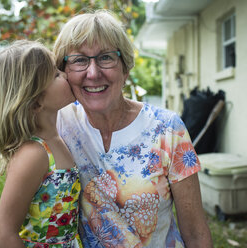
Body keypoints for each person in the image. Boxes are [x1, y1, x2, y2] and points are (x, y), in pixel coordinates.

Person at [53, 10, 213, 248]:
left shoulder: (167, 129)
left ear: (125, 68)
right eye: (79, 60)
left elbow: (195, 232)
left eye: (106, 57)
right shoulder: (58, 124)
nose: (93, 73)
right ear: (64, 71)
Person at [0, 40, 82, 248]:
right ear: (35, 102)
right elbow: (4, 233)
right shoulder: (34, 154)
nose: (66, 75)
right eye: (56, 75)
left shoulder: (57, 138)